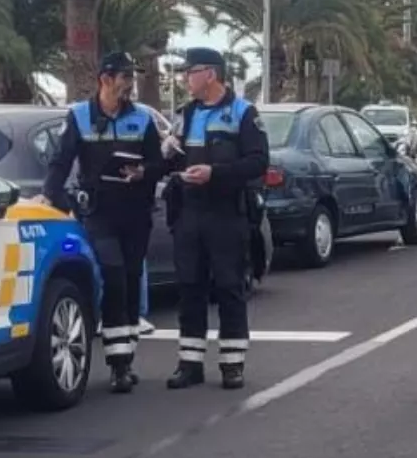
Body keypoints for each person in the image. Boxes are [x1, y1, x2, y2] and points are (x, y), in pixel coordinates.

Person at [43, 51, 163, 393]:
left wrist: (143, 171)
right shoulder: (79, 116)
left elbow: (158, 164)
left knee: (129, 279)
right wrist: (53, 198)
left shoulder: (142, 119)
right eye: (125, 78)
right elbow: (60, 163)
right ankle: (118, 365)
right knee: (113, 277)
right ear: (105, 79)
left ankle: (125, 358)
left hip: (135, 213)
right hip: (99, 213)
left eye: (132, 78)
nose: (130, 84)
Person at [162, 46, 268, 390]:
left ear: (210, 74)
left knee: (228, 287)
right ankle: (190, 364)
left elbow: (257, 162)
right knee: (190, 287)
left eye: (189, 73)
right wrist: (166, 156)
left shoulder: (242, 113)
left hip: (225, 213)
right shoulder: (185, 115)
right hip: (189, 213)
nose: (184, 79)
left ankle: (232, 364)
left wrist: (216, 173)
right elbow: (171, 161)